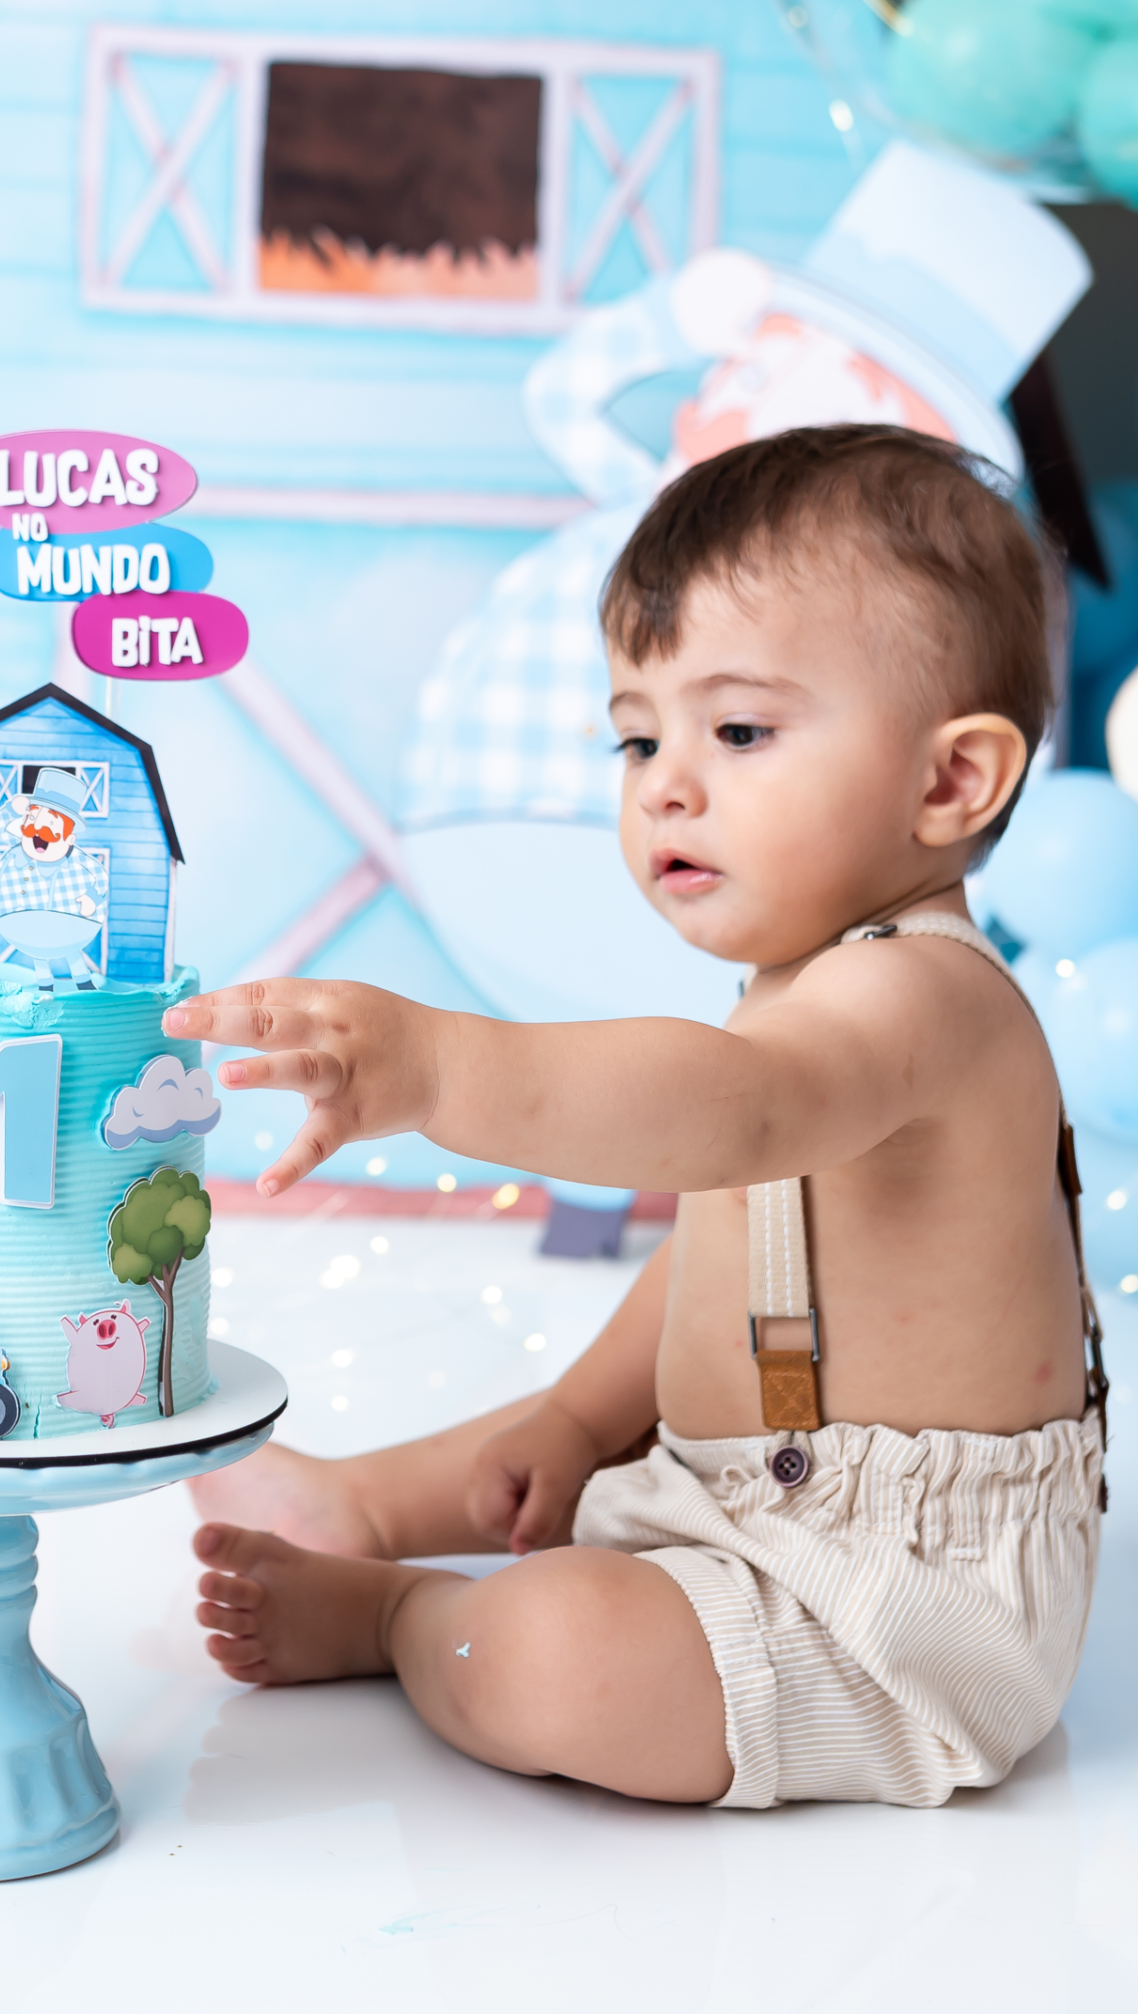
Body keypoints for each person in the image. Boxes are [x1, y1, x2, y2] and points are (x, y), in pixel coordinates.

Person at [164, 425, 1107, 1812]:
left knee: (556, 1657)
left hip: (897, 1601)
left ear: (949, 781)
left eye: (740, 731)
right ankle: (365, 1501)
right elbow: (726, 1248)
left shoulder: (922, 999)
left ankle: (398, 1612)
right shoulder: (800, 993)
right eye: (638, 736)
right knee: (534, 1445)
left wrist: (441, 1071)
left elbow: (730, 1117)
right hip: (744, 1491)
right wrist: (575, 1413)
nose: (665, 781)